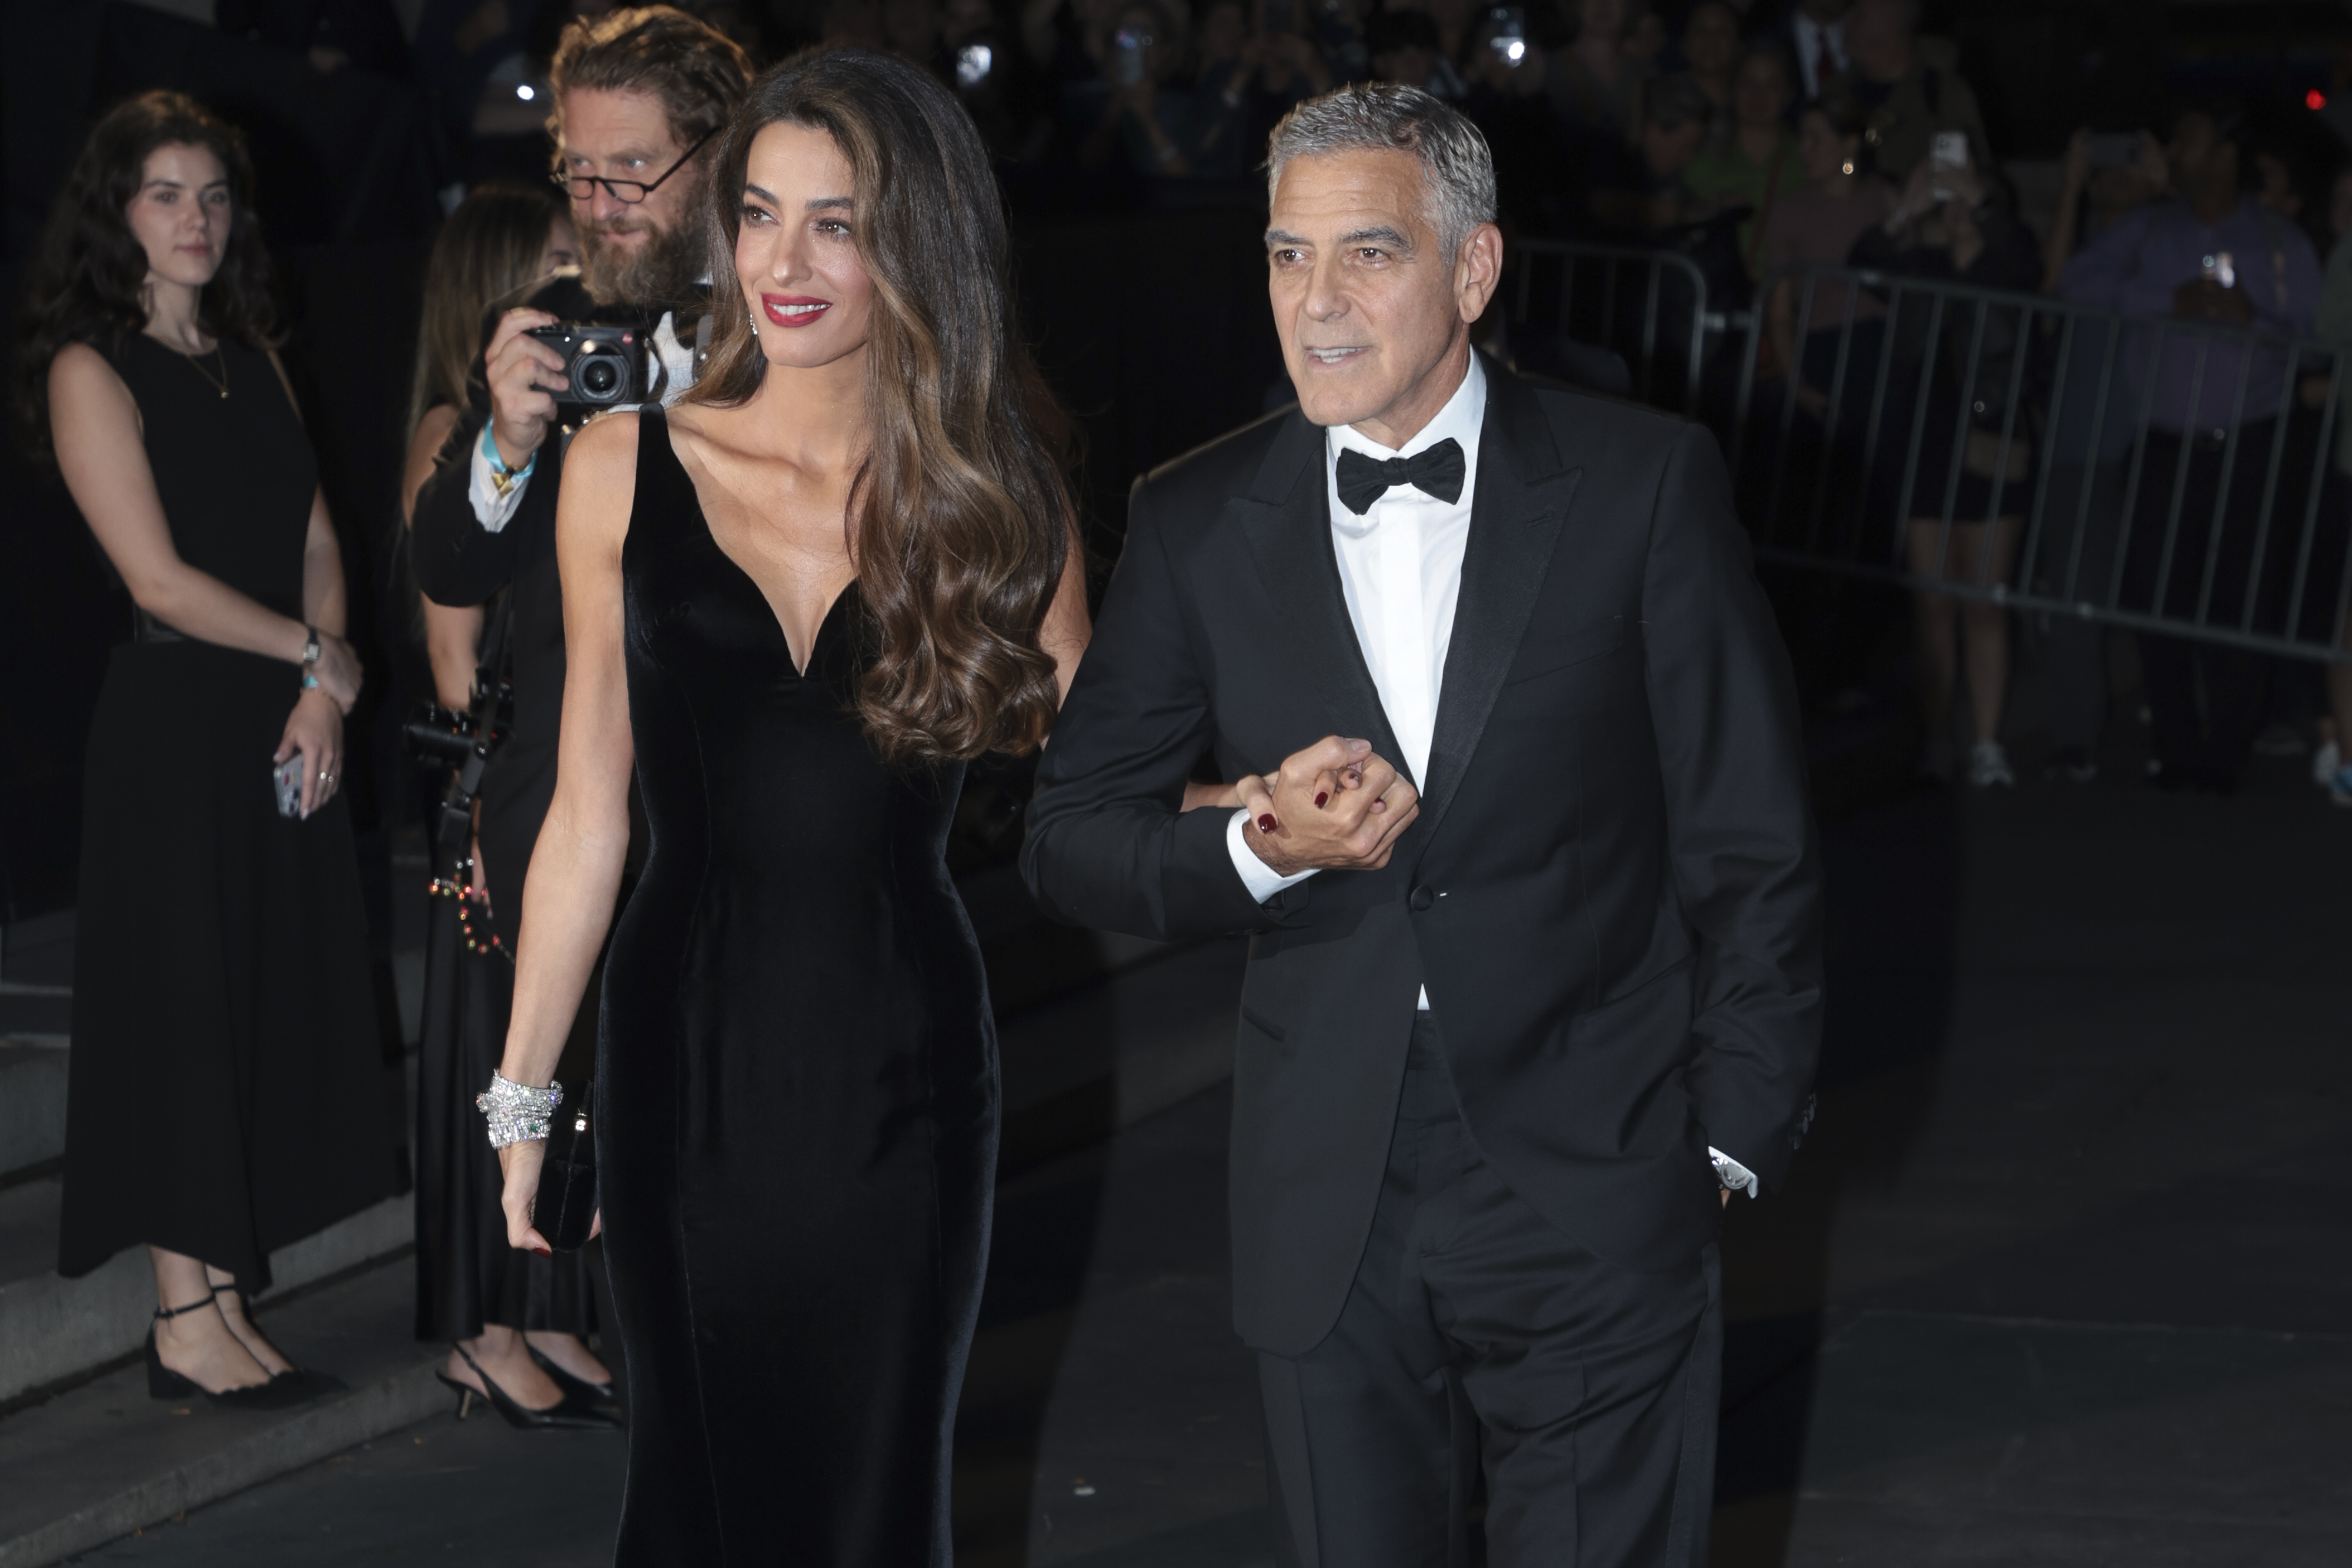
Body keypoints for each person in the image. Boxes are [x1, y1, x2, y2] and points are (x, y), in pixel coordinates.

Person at [1021, 82, 1822, 1564]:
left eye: (1367, 255)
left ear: (1472, 269)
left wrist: (1722, 1144)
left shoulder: (1640, 487)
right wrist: (1260, 847)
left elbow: (1749, 843)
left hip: (1599, 1170)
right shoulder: (1196, 521)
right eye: (1282, 256)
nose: (1313, 304)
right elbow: (1069, 833)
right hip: (1326, 1192)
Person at [489, 48, 1091, 1560]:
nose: (787, 263)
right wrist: (518, 1095)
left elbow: (1108, 776)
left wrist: (1268, 818)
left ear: (916, 243)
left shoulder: (995, 490)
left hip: (906, 1065)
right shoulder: (621, 466)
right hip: (685, 1066)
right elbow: (587, 813)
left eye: (839, 222)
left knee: (880, 1505)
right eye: (760, 216)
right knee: (693, 1494)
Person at [24, 90, 400, 1405]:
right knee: (185, 1007)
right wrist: (313, 657)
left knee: (247, 999)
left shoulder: (256, 352)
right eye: (164, 195)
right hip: (175, 725)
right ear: (115, 215)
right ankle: (183, 1315)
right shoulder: (91, 367)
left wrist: (323, 685)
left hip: (278, 710)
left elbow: (317, 538)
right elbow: (158, 579)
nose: (195, 218)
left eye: (213, 195)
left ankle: (226, 1299)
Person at [406, 3, 751, 1412]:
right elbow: (445, 563)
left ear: (717, 160)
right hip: (577, 789)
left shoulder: (792, 324)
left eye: (633, 173)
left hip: (745, 801)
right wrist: (506, 434)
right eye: (580, 172)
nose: (600, 205)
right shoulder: (544, 333)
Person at [396, 180, 617, 1427]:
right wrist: (480, 821)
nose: (575, 284)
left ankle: (549, 1313)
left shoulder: (591, 423)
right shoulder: (457, 426)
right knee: (504, 1057)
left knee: (560, 1059)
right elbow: (451, 653)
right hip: (501, 799)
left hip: (561, 782)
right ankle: (484, 1330)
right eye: (547, 266)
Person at [2063, 100, 2323, 793]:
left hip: (2248, 445)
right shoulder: (2150, 231)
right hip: (2165, 444)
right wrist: (2167, 301)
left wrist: (2253, 317)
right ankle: (2178, 748)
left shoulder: (2276, 239)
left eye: (2190, 137)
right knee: (2159, 597)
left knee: (2243, 597)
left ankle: (2226, 750)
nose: (2176, 147)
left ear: (2226, 155)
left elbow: (2315, 341)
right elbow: (2077, 282)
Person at [1849, 159, 2043, 786]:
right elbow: (1864, 262)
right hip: (1922, 442)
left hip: (1989, 443)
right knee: (1931, 602)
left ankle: (1986, 742)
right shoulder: (1920, 267)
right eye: (1948, 200)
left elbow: (2023, 260)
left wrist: (1982, 204)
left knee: (1984, 603)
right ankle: (1936, 737)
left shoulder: (2004, 266)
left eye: (1969, 201)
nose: (1954, 209)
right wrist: (1905, 207)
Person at [2035, 125, 2170, 783]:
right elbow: (2050, 293)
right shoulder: (2085, 249)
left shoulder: (2171, 234)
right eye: (2106, 163)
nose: (2118, 172)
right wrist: (2068, 188)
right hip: (2080, 439)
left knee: (2170, 589)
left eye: (2131, 160)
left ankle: (2177, 724)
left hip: (2161, 437)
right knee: (2074, 593)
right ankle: (2073, 734)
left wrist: (2169, 188)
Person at [1833, 0, 1990, 189]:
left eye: (1859, 12)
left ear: (1892, 19)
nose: (1846, 20)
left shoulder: (1943, 95)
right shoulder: (1835, 94)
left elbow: (1980, 177)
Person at [1685, 44, 1806, 287]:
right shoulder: (1701, 155)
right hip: (1716, 293)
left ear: (1789, 94)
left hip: (1791, 297)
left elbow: (1847, 175)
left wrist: (1850, 163)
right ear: (1732, 89)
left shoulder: (1808, 156)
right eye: (1748, 83)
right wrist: (1711, 207)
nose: (1758, 95)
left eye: (1771, 86)